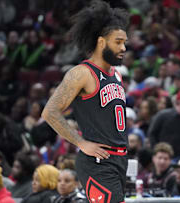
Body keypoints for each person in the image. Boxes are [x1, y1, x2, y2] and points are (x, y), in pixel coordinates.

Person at [41, 1, 130, 202]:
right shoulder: (82, 73)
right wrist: (81, 142)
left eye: (125, 42)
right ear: (101, 42)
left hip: (119, 159)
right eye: (118, 42)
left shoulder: (116, 75)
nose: (123, 47)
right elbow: (50, 112)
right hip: (97, 161)